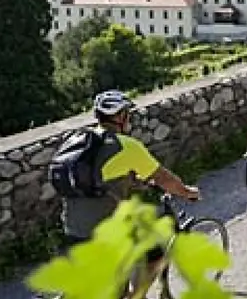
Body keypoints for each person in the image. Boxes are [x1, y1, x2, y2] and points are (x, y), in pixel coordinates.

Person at [58, 90, 200, 297]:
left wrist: (131, 183)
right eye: (128, 114)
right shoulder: (126, 146)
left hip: (73, 228)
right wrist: (187, 192)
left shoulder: (79, 142)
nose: (130, 119)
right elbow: (164, 178)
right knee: (156, 250)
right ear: (120, 117)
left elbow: (99, 180)